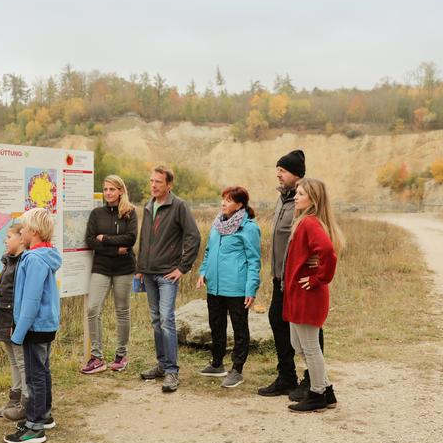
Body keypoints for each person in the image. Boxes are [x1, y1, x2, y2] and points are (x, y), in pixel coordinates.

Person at [257, 149, 323, 398]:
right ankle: (286, 376)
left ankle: (311, 379)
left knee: (309, 328)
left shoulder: (304, 201)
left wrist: (314, 269)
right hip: (280, 276)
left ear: (296, 174)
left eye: (282, 170)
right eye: (277, 170)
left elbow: (318, 238)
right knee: (277, 320)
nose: (278, 174)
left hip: (298, 278)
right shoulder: (284, 198)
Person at [136, 166, 201, 393]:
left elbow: (193, 237)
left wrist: (183, 268)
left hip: (167, 274)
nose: (153, 185)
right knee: (155, 319)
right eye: (151, 181)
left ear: (169, 185)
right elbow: (144, 239)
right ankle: (162, 365)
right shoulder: (148, 205)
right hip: (149, 272)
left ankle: (172, 371)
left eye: (158, 182)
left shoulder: (179, 206)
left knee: (166, 319)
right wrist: (140, 268)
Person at [283, 178, 344, 412]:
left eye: (300, 194)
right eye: (296, 193)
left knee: (309, 346)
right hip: (299, 294)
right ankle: (326, 390)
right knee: (298, 343)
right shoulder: (304, 222)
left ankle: (317, 394)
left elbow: (328, 251)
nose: (295, 197)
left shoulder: (309, 222)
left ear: (313, 199)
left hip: (309, 294)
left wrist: (319, 278)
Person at [4, 208, 62, 443]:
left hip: (35, 327)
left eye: (25, 229)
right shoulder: (45, 255)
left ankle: (35, 426)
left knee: (35, 376)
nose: (22, 232)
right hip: (44, 325)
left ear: (34, 232)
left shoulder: (35, 260)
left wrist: (18, 333)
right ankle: (44, 415)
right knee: (42, 371)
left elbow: (31, 300)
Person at [197, 186, 262, 388]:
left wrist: (251, 289)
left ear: (240, 205)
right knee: (216, 326)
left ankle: (237, 370)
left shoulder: (249, 227)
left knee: (239, 329)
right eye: (223, 199)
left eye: (229, 200)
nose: (223, 203)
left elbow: (254, 261)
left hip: (236, 288)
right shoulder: (216, 225)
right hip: (214, 287)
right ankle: (217, 364)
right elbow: (208, 252)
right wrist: (202, 272)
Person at [81, 175, 138, 374]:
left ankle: (121, 355)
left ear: (120, 191)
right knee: (93, 309)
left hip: (124, 268)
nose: (108, 193)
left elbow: (130, 238)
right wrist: (115, 249)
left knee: (122, 310)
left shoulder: (130, 212)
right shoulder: (97, 213)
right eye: (105, 189)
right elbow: (90, 240)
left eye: (111, 189)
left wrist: (104, 238)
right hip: (102, 267)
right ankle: (97, 358)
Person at [0, 223, 27, 420]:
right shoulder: (9, 261)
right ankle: (14, 399)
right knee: (13, 360)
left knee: (22, 362)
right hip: (5, 318)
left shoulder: (23, 263)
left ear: (21, 239)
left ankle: (25, 403)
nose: (5, 240)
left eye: (9, 236)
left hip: (15, 321)